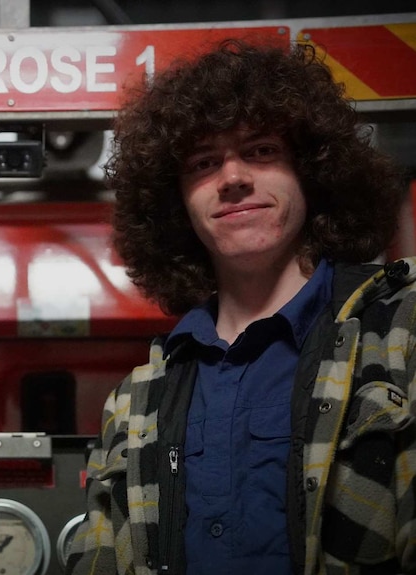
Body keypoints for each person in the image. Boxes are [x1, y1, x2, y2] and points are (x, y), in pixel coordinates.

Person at [65, 39, 415, 575]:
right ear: (175, 202)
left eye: (261, 151)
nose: (232, 178)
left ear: (312, 171)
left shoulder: (400, 336)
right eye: (204, 163)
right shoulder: (135, 401)